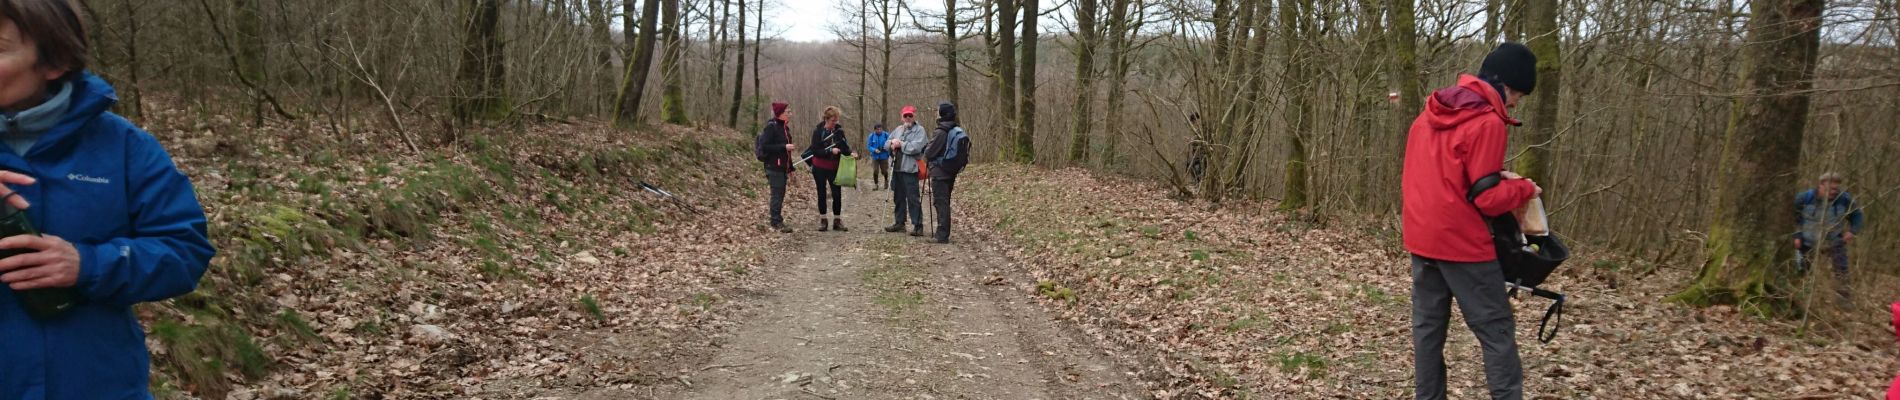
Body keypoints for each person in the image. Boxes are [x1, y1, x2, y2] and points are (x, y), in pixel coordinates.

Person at [0, 1, 218, 398]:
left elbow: (184, 250)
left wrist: (87, 264)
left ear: (55, 61)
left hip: (96, 382)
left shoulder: (124, 147)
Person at [1400, 42, 1543, 400]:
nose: (1515, 104)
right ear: (1506, 86)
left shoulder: (1427, 115)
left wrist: (1497, 178)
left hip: (1421, 237)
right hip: (1462, 243)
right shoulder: (1488, 122)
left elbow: (1446, 177)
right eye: (1518, 96)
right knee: (1496, 331)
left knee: (1428, 332)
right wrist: (1524, 188)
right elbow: (1487, 199)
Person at [1794, 172, 1863, 303]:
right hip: (1807, 241)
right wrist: (1797, 235)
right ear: (1820, 185)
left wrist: (1853, 231)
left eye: (1836, 189)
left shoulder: (1844, 199)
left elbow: (1857, 215)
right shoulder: (1804, 198)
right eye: (1830, 189)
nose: (1833, 192)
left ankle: (1843, 301)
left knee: (1842, 270)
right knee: (1802, 270)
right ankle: (1801, 297)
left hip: (1834, 241)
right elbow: (1792, 218)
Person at [923, 101, 971, 244]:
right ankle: (943, 233)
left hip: (939, 171)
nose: (935, 113)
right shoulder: (954, 128)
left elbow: (930, 152)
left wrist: (926, 149)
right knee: (945, 201)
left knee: (941, 202)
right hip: (950, 170)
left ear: (942, 113)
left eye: (937, 110)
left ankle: (942, 235)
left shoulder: (941, 131)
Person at [803, 106, 855, 232]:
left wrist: (850, 153)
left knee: (837, 194)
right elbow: (815, 150)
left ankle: (837, 220)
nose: (835, 123)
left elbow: (844, 146)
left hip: (834, 167)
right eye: (833, 120)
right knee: (821, 193)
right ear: (826, 119)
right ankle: (823, 220)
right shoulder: (818, 131)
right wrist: (830, 150)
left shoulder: (839, 131)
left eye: (836, 120)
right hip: (819, 167)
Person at [884, 106, 929, 237]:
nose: (908, 118)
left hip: (910, 169)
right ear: (902, 117)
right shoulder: (898, 129)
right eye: (905, 116)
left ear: (914, 116)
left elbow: (916, 148)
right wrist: (892, 142)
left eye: (910, 116)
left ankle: (918, 225)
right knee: (898, 197)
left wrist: (901, 144)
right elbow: (886, 144)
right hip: (896, 169)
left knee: (913, 198)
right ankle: (899, 223)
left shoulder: (920, 130)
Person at [755, 101, 796, 233]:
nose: (790, 114)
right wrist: (783, 146)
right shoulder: (771, 127)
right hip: (773, 166)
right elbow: (765, 146)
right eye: (787, 112)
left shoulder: (785, 128)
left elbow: (787, 153)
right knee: (777, 194)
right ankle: (776, 221)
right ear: (780, 114)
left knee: (780, 193)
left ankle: (777, 219)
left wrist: (791, 168)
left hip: (782, 167)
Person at [866, 122, 890, 190]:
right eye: (877, 129)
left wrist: (885, 148)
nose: (879, 131)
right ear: (875, 130)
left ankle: (886, 181)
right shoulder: (871, 136)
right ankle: (876, 185)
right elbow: (869, 146)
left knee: (884, 171)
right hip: (875, 156)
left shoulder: (886, 135)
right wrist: (874, 150)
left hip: (884, 156)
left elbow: (890, 143)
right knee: (875, 171)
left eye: (880, 129)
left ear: (882, 129)